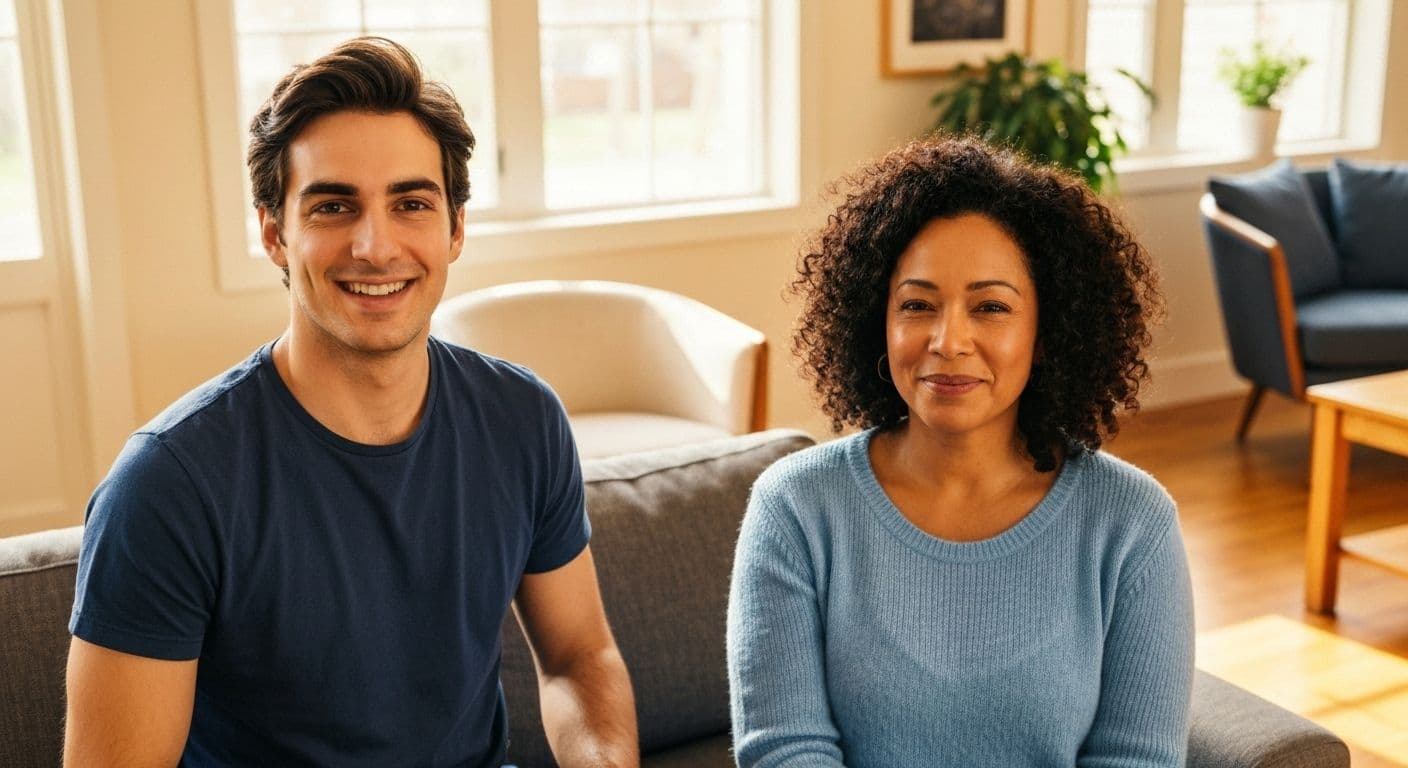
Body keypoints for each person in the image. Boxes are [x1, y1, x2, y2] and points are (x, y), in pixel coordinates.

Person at [64, 37, 638, 767]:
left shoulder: (523, 419)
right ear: (275, 233)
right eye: (334, 206)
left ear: (455, 228)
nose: (375, 245)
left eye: (411, 203)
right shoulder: (169, 483)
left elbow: (578, 656)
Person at [727, 135, 1193, 766]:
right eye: (917, 305)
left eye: (991, 307)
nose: (949, 340)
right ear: (877, 322)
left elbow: (1136, 759)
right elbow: (784, 751)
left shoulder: (1133, 523)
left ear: (1047, 330)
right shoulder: (795, 508)